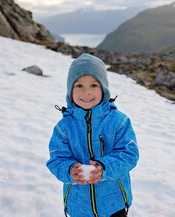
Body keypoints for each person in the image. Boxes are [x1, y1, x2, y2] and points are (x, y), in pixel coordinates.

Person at [46, 53, 139, 217]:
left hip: (114, 204)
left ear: (104, 88)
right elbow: (56, 160)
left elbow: (129, 155)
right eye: (79, 86)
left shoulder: (119, 122)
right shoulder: (64, 128)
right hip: (78, 206)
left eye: (94, 85)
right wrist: (69, 170)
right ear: (70, 90)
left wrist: (104, 168)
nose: (86, 92)